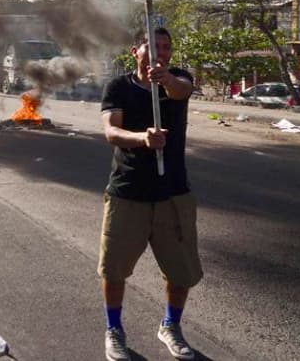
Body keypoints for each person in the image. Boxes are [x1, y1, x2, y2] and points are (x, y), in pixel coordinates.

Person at [99, 27, 201, 361]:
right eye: (152, 47)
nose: (160, 52)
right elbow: (111, 131)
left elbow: (181, 90)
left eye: (166, 47)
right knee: (113, 270)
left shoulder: (179, 79)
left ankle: (170, 325)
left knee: (180, 271)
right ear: (135, 52)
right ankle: (114, 330)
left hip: (173, 193)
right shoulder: (119, 86)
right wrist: (142, 139)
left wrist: (166, 80)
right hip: (128, 191)